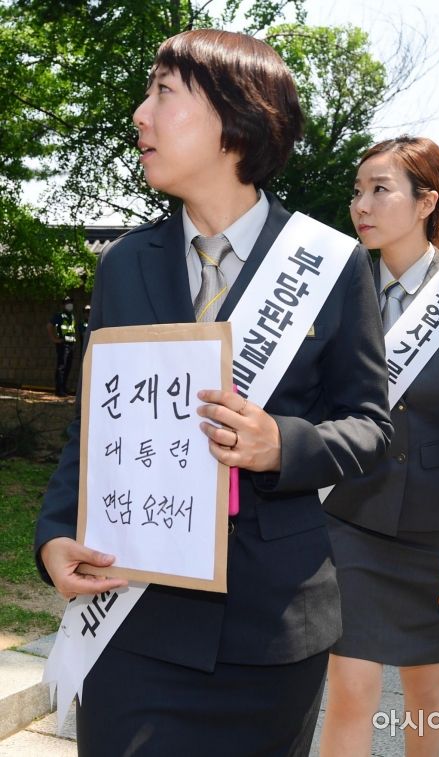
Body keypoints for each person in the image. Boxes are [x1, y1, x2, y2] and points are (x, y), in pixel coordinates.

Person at [34, 29, 392, 757]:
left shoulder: (329, 263)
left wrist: (281, 444)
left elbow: (371, 429)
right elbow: (92, 429)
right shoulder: (125, 264)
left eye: (164, 93)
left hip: (271, 628)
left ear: (236, 116)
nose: (140, 114)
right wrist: (53, 534)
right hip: (132, 615)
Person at [320, 136, 439, 757]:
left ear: (426, 201)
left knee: (426, 692)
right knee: (351, 688)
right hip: (350, 515)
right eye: (357, 191)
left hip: (437, 530)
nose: (362, 205)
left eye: (380, 190)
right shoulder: (339, 287)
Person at [47, 295, 77, 396]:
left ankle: (64, 387)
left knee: (68, 367)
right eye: (67, 303)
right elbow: (49, 326)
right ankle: (59, 389)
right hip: (63, 345)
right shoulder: (59, 315)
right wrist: (55, 339)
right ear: (63, 305)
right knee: (62, 367)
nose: (69, 304)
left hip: (71, 344)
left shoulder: (72, 316)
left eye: (70, 302)